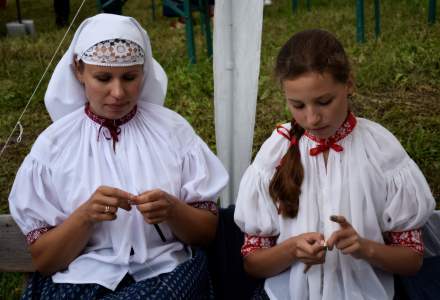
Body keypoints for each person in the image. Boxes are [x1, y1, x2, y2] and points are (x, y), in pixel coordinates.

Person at [8, 13, 228, 299]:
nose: (117, 92)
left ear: (144, 72)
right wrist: (85, 217)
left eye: (129, 77)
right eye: (103, 78)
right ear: (78, 70)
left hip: (164, 272)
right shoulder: (53, 146)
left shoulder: (173, 132)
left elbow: (206, 234)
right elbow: (46, 260)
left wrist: (173, 210)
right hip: (81, 277)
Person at [234, 29, 435, 299]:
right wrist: (292, 249)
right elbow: (253, 264)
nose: (312, 118)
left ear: (349, 83)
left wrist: (366, 248)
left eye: (324, 101)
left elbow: (412, 260)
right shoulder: (276, 152)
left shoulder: (381, 150)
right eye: (297, 105)